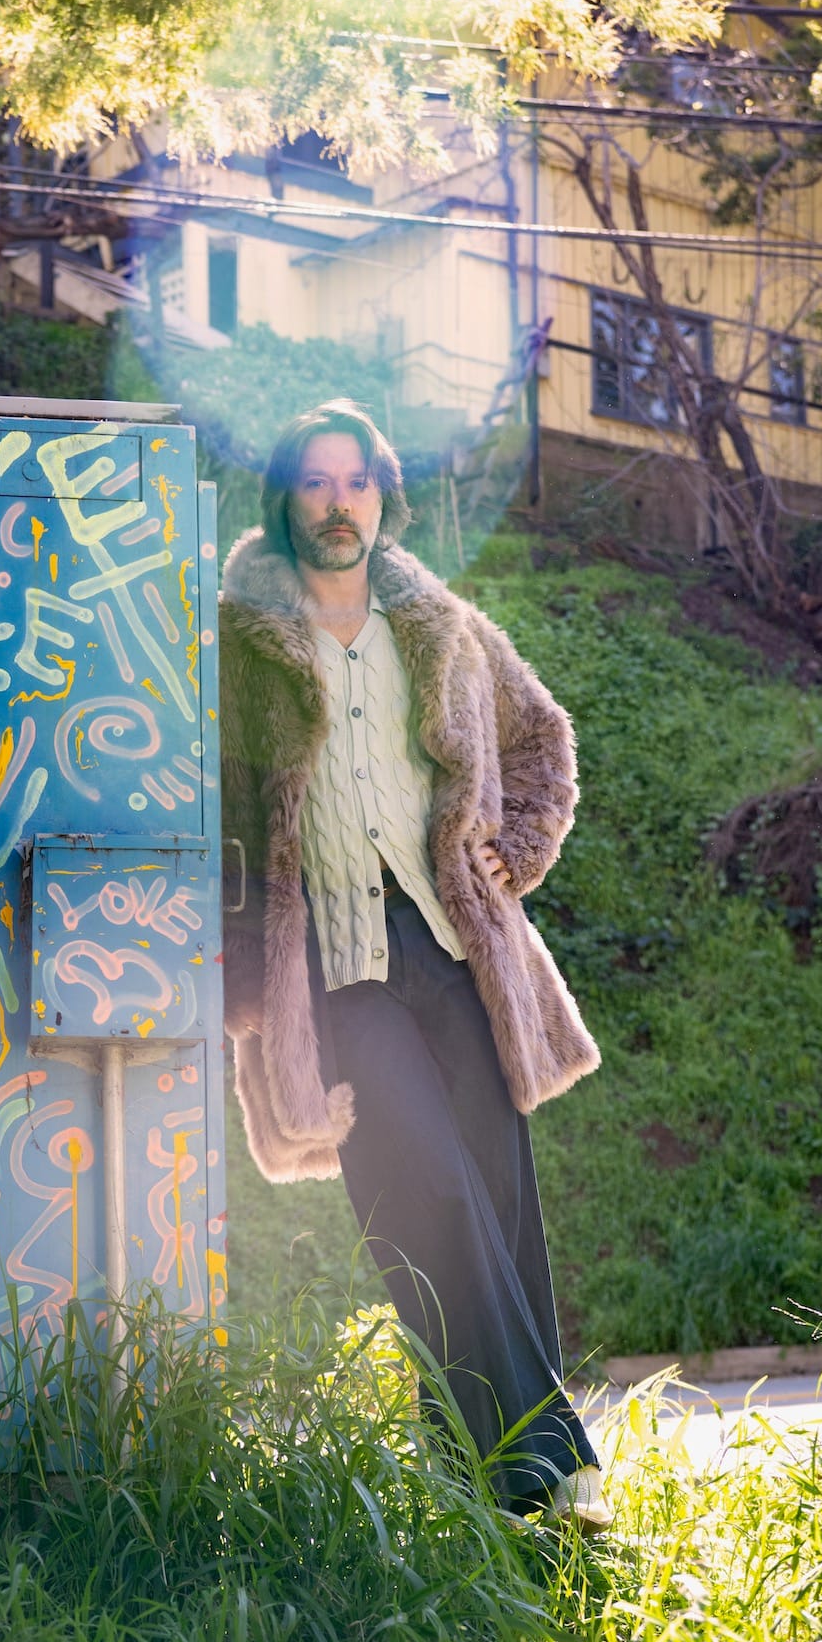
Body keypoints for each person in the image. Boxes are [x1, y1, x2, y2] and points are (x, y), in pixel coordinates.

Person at [219, 399, 612, 1528]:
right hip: (334, 971)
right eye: (314, 482)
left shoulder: (438, 625)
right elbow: (225, 813)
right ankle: (549, 1468)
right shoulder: (241, 645)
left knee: (495, 1197)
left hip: (452, 946)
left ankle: (477, 1493)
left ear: (381, 497)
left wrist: (515, 849)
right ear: (286, 502)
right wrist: (244, 987)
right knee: (422, 1186)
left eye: (355, 482)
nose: (336, 503)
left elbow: (544, 740)